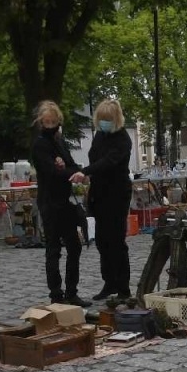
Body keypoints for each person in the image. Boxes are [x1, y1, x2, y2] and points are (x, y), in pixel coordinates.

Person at [30, 101, 88, 306]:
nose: (51, 125)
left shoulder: (60, 142)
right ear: (41, 122)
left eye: (54, 122)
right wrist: (68, 171)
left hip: (65, 201)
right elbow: (52, 173)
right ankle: (56, 293)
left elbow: (71, 165)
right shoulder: (40, 144)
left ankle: (72, 291)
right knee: (53, 248)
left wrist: (69, 169)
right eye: (47, 122)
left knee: (74, 246)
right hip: (50, 202)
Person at [83, 98, 132, 300]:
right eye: (101, 119)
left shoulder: (122, 140)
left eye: (108, 119)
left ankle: (123, 287)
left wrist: (85, 172)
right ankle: (109, 282)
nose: (104, 122)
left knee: (116, 241)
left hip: (117, 194)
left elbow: (108, 162)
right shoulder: (100, 137)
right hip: (99, 192)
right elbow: (95, 157)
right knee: (102, 241)